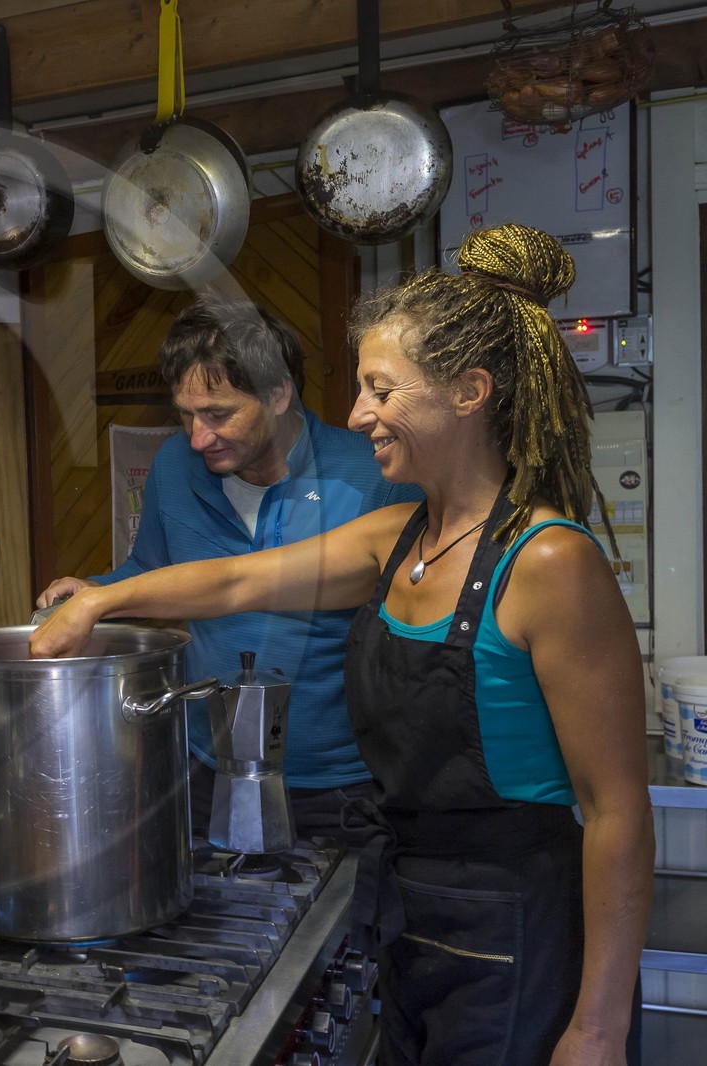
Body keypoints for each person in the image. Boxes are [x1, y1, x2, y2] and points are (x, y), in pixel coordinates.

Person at [32, 223, 652, 1065]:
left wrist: (599, 1028)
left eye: (380, 390)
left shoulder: (549, 561)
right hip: (409, 912)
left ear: (468, 393)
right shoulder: (397, 538)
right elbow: (235, 582)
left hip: (517, 932)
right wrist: (101, 600)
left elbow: (618, 814)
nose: (357, 414)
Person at [37, 297, 422, 839]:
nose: (198, 437)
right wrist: (94, 590)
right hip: (206, 771)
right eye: (185, 414)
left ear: (278, 394)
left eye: (218, 414)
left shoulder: (374, 474)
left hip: (342, 784)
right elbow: (148, 568)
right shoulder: (176, 465)